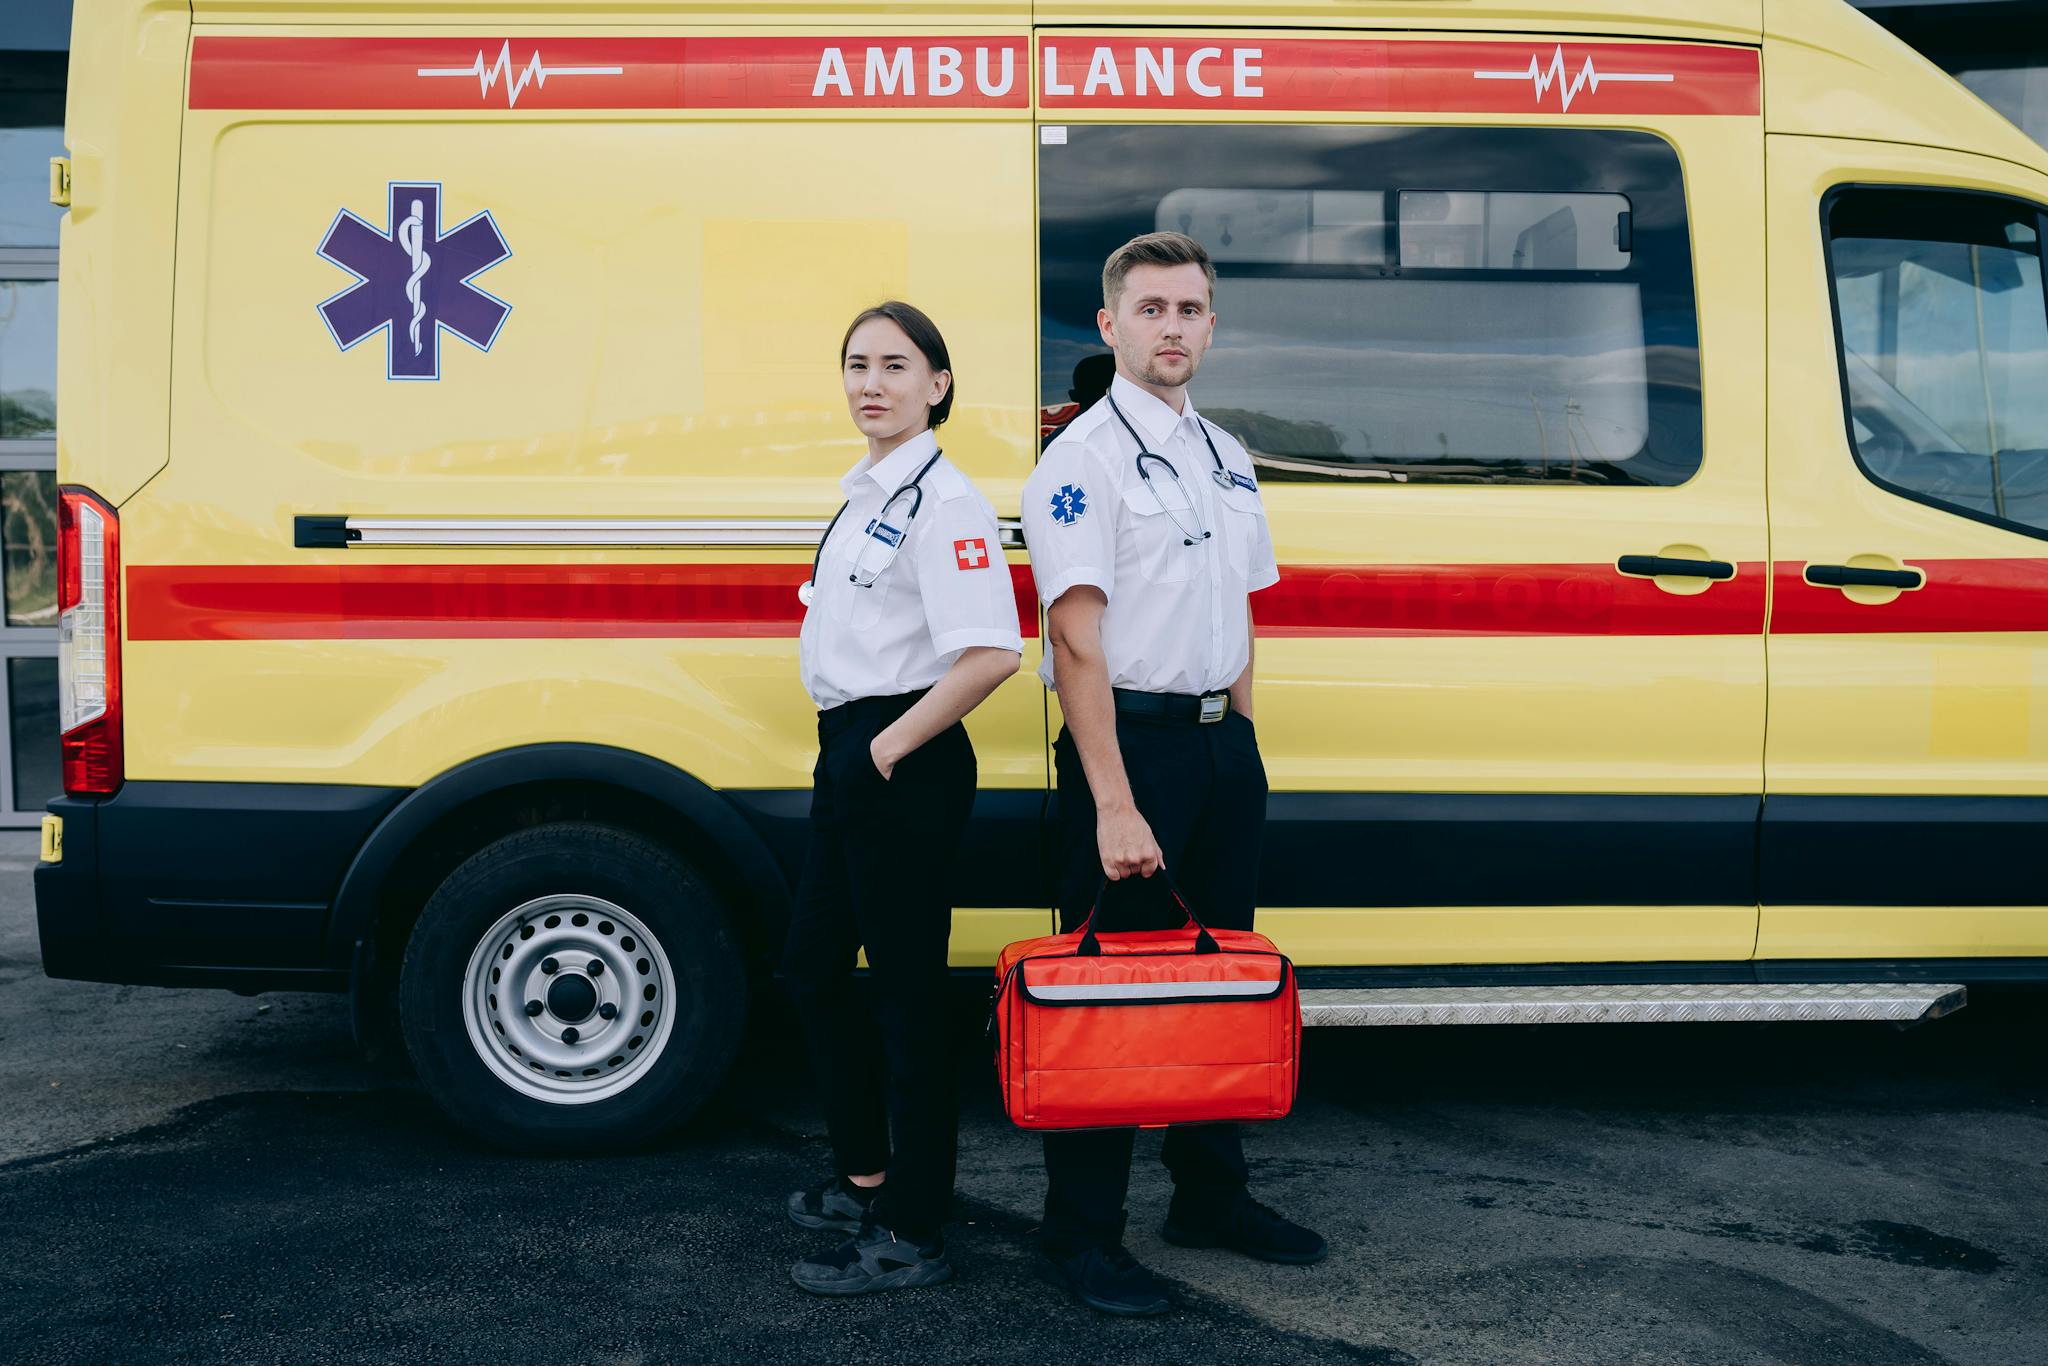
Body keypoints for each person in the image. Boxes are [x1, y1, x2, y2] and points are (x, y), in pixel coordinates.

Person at [1020, 232, 1326, 1316]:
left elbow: (1237, 610)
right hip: (1130, 749)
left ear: (1210, 324)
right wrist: (1112, 800)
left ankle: (1207, 1195)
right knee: (1107, 1000)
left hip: (1213, 746)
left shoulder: (1225, 453)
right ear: (1108, 327)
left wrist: (1240, 746)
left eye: (1189, 309)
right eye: (1149, 309)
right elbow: (1075, 645)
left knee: (1213, 986)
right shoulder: (1078, 463)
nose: (1171, 328)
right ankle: (1078, 1234)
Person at [780, 301, 1023, 1295]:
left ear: (938, 385)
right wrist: (853, 752)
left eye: (892, 365)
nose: (868, 382)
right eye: (854, 364)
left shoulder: (946, 502)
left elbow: (993, 653)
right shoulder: (864, 492)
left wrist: (882, 748)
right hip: (853, 752)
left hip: (900, 758)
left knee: (908, 998)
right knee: (809, 967)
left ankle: (911, 1229)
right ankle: (868, 1173)